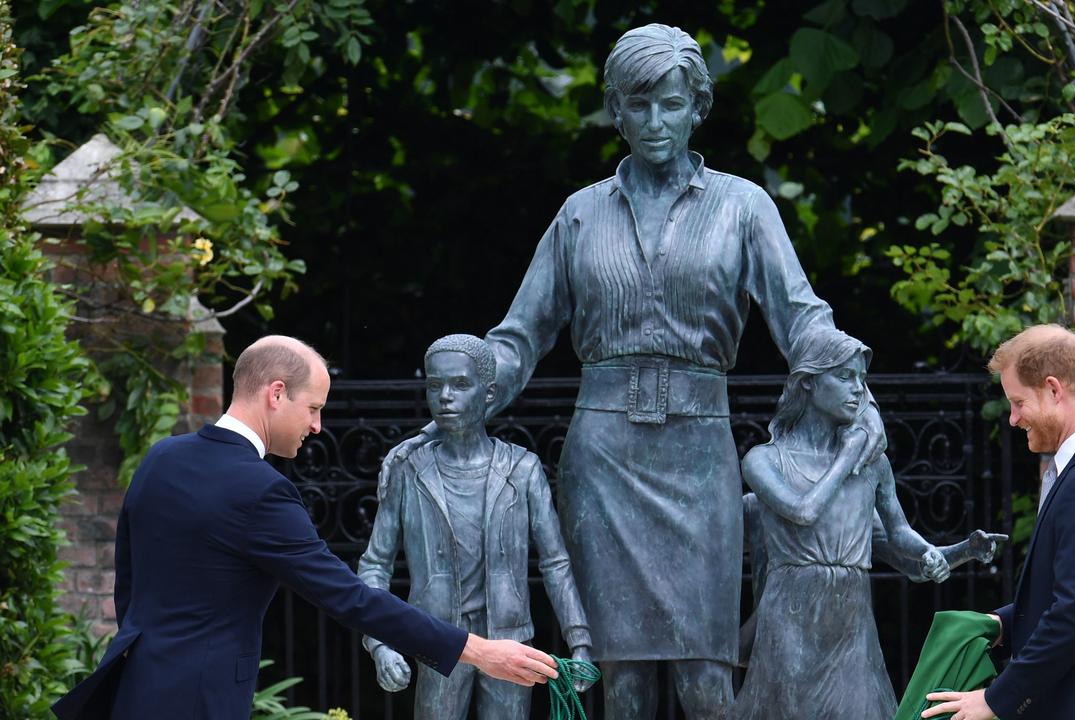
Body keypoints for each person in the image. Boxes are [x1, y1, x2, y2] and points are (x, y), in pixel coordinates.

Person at [386, 24, 886, 719]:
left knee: (707, 679)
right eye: (638, 105)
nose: (655, 122)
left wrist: (848, 378)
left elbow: (802, 317)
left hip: (699, 456)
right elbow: (520, 335)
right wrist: (468, 388)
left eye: (671, 104)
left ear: (697, 107)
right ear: (615, 110)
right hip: (605, 458)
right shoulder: (580, 215)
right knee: (619, 684)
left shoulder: (744, 206)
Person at [52, 335, 559, 720]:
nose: (316, 426)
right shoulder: (261, 491)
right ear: (277, 394)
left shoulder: (162, 458)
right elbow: (351, 597)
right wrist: (480, 650)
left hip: (132, 688)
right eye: (313, 408)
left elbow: (129, 582)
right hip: (203, 700)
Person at [730, 329, 1002, 719]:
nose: (858, 390)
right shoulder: (765, 460)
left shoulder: (872, 465)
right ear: (807, 383)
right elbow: (804, 513)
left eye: (861, 378)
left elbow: (900, 538)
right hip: (791, 613)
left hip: (851, 618)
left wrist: (959, 552)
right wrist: (849, 453)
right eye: (844, 377)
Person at [922, 324, 1075, 720]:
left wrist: (996, 698)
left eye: (1018, 402)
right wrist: (1003, 622)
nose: (1013, 419)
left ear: (1053, 389)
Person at [357, 334, 594, 718]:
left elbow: (555, 563)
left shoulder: (523, 470)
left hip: (510, 637)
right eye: (435, 385)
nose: (445, 396)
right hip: (435, 639)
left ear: (489, 393)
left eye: (460, 384)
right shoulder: (408, 470)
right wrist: (380, 643)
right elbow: (375, 565)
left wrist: (579, 641)